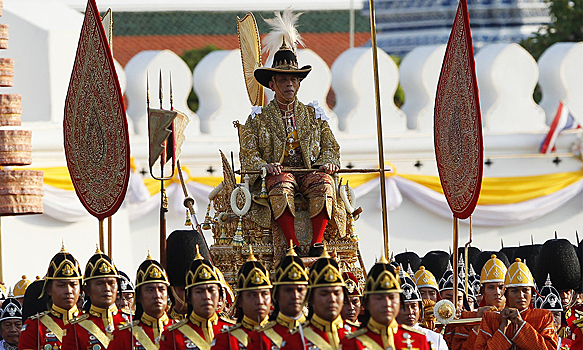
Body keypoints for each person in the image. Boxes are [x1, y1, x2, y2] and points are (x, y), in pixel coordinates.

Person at [239, 9, 344, 256]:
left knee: (324, 183)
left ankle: (317, 243)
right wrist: (266, 166)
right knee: (282, 183)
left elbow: (331, 147)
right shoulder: (258, 119)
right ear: (272, 84)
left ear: (299, 83)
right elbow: (248, 154)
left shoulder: (313, 115)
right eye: (283, 80)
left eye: (293, 80)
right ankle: (292, 244)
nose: (289, 84)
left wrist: (328, 163)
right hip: (279, 176)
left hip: (309, 173)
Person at [339, 257, 430, 350]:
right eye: (379, 298)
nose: (387, 303)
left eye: (391, 297)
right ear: (366, 303)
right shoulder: (351, 344)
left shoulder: (418, 341)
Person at [474, 258, 558, 350]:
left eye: (525, 290)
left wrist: (521, 324)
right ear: (506, 294)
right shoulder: (490, 318)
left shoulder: (544, 317)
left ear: (532, 293)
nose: (521, 295)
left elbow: (550, 348)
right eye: (514, 291)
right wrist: (502, 329)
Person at [160, 246, 234, 350]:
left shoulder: (234, 332)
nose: (207, 297)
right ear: (189, 297)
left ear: (220, 294)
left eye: (211, 290)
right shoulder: (172, 336)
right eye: (199, 291)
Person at [281, 247, 348, 349]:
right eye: (324, 294)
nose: (332, 299)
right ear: (311, 298)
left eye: (337, 293)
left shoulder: (357, 337)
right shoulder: (295, 340)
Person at [19, 245, 82, 350]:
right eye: (61, 285)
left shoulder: (92, 323)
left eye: (73, 284)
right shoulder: (34, 326)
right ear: (49, 289)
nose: (68, 291)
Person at [62, 247, 126, 350]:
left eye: (111, 283)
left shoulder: (131, 321)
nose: (106, 289)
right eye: (99, 284)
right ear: (87, 290)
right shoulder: (74, 328)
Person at [247, 243, 308, 349]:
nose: (295, 295)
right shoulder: (260, 338)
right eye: (288, 290)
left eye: (300, 289)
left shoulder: (323, 333)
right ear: (276, 294)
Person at [211, 248, 272, 349]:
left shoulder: (284, 336)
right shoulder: (226, 340)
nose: (260, 301)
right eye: (252, 295)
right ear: (239, 301)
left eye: (264, 294)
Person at [109, 253, 172, 350]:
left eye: (161, 289)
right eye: (150, 290)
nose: (157, 295)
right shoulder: (124, 335)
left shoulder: (181, 332)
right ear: (138, 297)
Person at [451, 254, 507, 350]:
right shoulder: (467, 318)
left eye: (501, 287)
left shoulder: (518, 315)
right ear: (482, 291)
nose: (497, 293)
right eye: (491, 287)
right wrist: (477, 324)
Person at [396, 266, 448, 350]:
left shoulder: (436, 339)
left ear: (419, 307)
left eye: (413, 306)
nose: (410, 311)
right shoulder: (385, 337)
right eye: (403, 307)